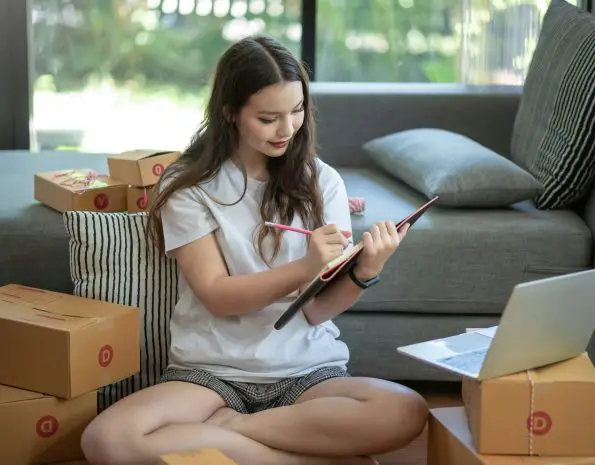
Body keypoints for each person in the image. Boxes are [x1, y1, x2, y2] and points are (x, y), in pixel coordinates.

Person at [80, 35, 429, 465]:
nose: (287, 129)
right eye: (268, 118)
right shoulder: (188, 187)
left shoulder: (322, 182)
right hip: (211, 374)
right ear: (230, 112)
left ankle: (233, 433)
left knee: (405, 410)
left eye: (296, 111)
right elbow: (216, 295)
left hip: (306, 372)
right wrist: (305, 266)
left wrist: (366, 269)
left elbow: (316, 311)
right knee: (107, 440)